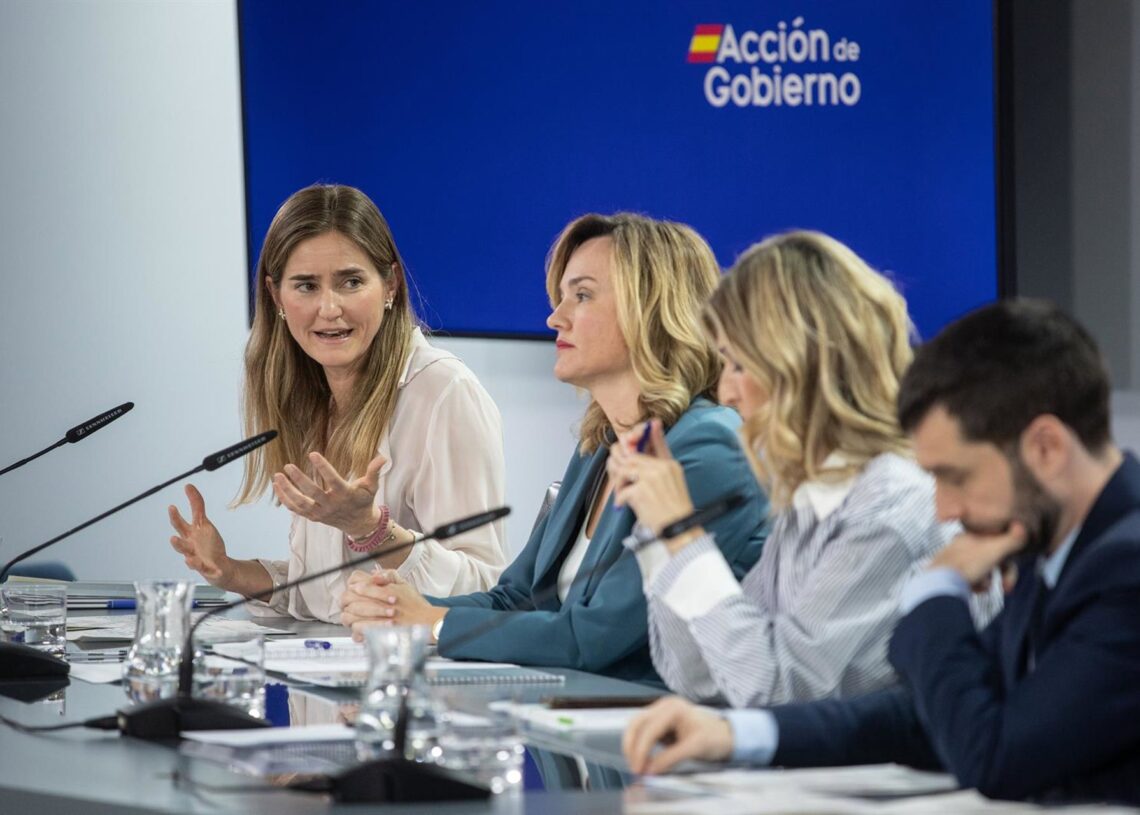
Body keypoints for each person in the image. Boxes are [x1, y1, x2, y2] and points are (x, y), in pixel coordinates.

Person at [623, 300, 1140, 805]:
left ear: (1046, 448)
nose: (944, 510)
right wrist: (737, 734)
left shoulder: (1125, 569)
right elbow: (927, 718)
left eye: (954, 477)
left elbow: (998, 755)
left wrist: (937, 590)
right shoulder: (1057, 542)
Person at [340, 212, 769, 684]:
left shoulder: (708, 446)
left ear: (650, 309)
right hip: (578, 725)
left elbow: (591, 639)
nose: (554, 318)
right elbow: (515, 598)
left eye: (581, 296)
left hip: (657, 735)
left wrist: (431, 622)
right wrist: (396, 608)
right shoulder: (601, 443)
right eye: (561, 296)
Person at [607, 230, 970, 708]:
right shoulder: (812, 503)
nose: (727, 392)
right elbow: (699, 676)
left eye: (738, 365)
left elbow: (776, 687)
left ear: (801, 364)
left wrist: (682, 533)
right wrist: (659, 540)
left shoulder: (890, 508)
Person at [167, 184, 507, 622]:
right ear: (276, 297)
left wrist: (370, 529)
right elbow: (326, 594)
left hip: (409, 680)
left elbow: (483, 590)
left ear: (390, 285)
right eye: (306, 286)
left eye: (350, 282)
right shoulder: (315, 393)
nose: (329, 308)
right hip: (336, 674)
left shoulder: (444, 392)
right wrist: (230, 571)